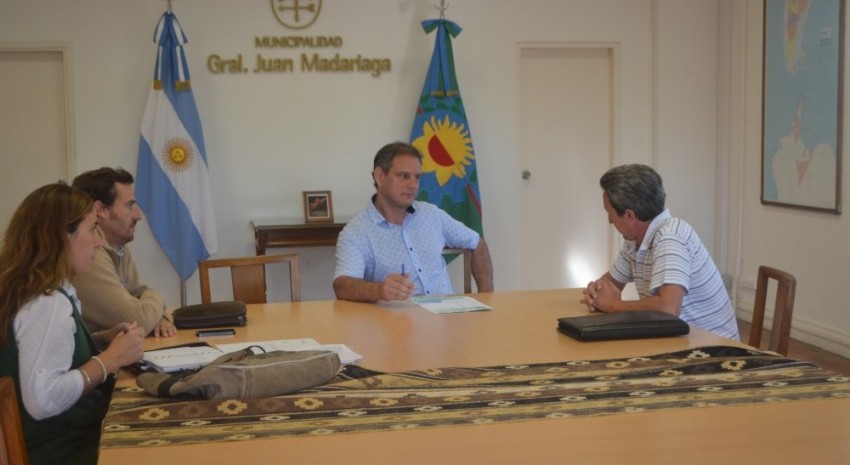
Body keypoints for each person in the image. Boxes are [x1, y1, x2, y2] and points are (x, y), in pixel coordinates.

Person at [0, 183, 146, 465]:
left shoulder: (26, 288)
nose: (98, 242)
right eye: (92, 229)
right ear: (61, 237)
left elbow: (39, 355)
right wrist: (110, 359)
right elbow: (43, 400)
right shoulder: (45, 302)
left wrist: (102, 340)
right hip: (61, 450)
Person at [580, 164, 739, 340]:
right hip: (678, 342)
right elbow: (611, 282)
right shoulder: (635, 239)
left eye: (610, 213)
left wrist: (614, 305)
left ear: (630, 216)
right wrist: (596, 291)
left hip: (715, 353)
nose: (610, 221)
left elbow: (668, 308)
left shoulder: (671, 237)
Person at [334, 141, 494, 302]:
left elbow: (477, 243)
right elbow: (342, 285)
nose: (413, 185)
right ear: (380, 177)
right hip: (398, 322)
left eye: (417, 177)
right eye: (404, 176)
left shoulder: (431, 214)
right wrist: (379, 290)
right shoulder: (357, 231)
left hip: (448, 316)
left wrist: (486, 298)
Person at [71, 167, 175, 337]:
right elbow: (137, 319)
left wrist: (159, 317)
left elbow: (140, 294)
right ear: (101, 210)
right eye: (130, 206)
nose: (138, 215)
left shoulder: (117, 245)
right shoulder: (89, 254)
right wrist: (158, 300)